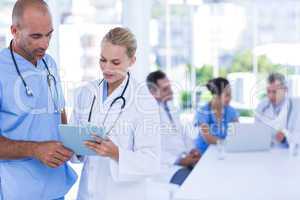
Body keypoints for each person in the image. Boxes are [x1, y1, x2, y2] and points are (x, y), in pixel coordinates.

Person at [70, 27, 161, 200]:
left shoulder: (143, 101)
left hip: (123, 194)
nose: (107, 68)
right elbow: (76, 149)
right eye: (103, 60)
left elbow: (151, 163)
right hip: (87, 192)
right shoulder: (85, 93)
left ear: (132, 60)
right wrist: (76, 149)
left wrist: (116, 153)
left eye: (115, 62)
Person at [0, 0, 76, 199]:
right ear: (14, 31)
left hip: (56, 187)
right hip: (19, 190)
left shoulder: (49, 63)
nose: (44, 44)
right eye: (36, 36)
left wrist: (75, 142)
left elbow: (59, 110)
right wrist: (35, 149)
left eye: (49, 34)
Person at [146, 70, 199, 186]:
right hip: (165, 168)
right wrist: (180, 160)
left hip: (182, 160)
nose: (171, 91)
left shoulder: (169, 106)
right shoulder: (147, 116)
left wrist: (192, 150)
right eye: (165, 89)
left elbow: (183, 133)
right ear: (152, 92)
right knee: (192, 182)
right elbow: (152, 150)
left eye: (169, 87)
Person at [194, 77, 239, 155]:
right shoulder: (202, 112)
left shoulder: (231, 111)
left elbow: (237, 134)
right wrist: (227, 142)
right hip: (203, 154)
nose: (230, 98)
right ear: (216, 95)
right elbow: (208, 138)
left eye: (231, 95)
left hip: (224, 152)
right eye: (227, 95)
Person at [255, 73, 300, 148]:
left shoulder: (296, 106)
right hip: (267, 153)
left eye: (275, 92)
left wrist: (286, 137)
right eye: (268, 91)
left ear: (285, 90)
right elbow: (255, 131)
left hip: (289, 154)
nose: (271, 96)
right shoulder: (262, 106)